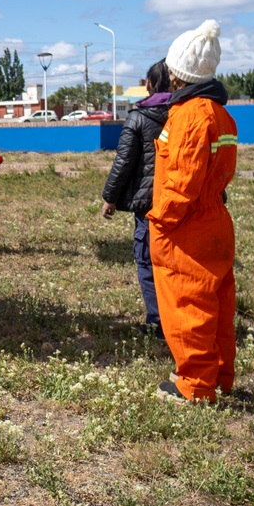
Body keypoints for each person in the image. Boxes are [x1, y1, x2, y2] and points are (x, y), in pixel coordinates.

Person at [148, 20, 238, 403]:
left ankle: (196, 388)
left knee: (188, 305)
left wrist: (159, 219)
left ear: (177, 73)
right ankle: (219, 376)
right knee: (216, 305)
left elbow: (182, 182)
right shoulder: (220, 115)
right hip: (215, 219)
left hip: (187, 227)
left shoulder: (188, 117)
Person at [100, 59, 172, 337]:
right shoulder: (183, 114)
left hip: (148, 204)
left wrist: (110, 198)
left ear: (149, 85)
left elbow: (124, 162)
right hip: (180, 200)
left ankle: (157, 323)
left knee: (147, 260)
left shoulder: (138, 117)